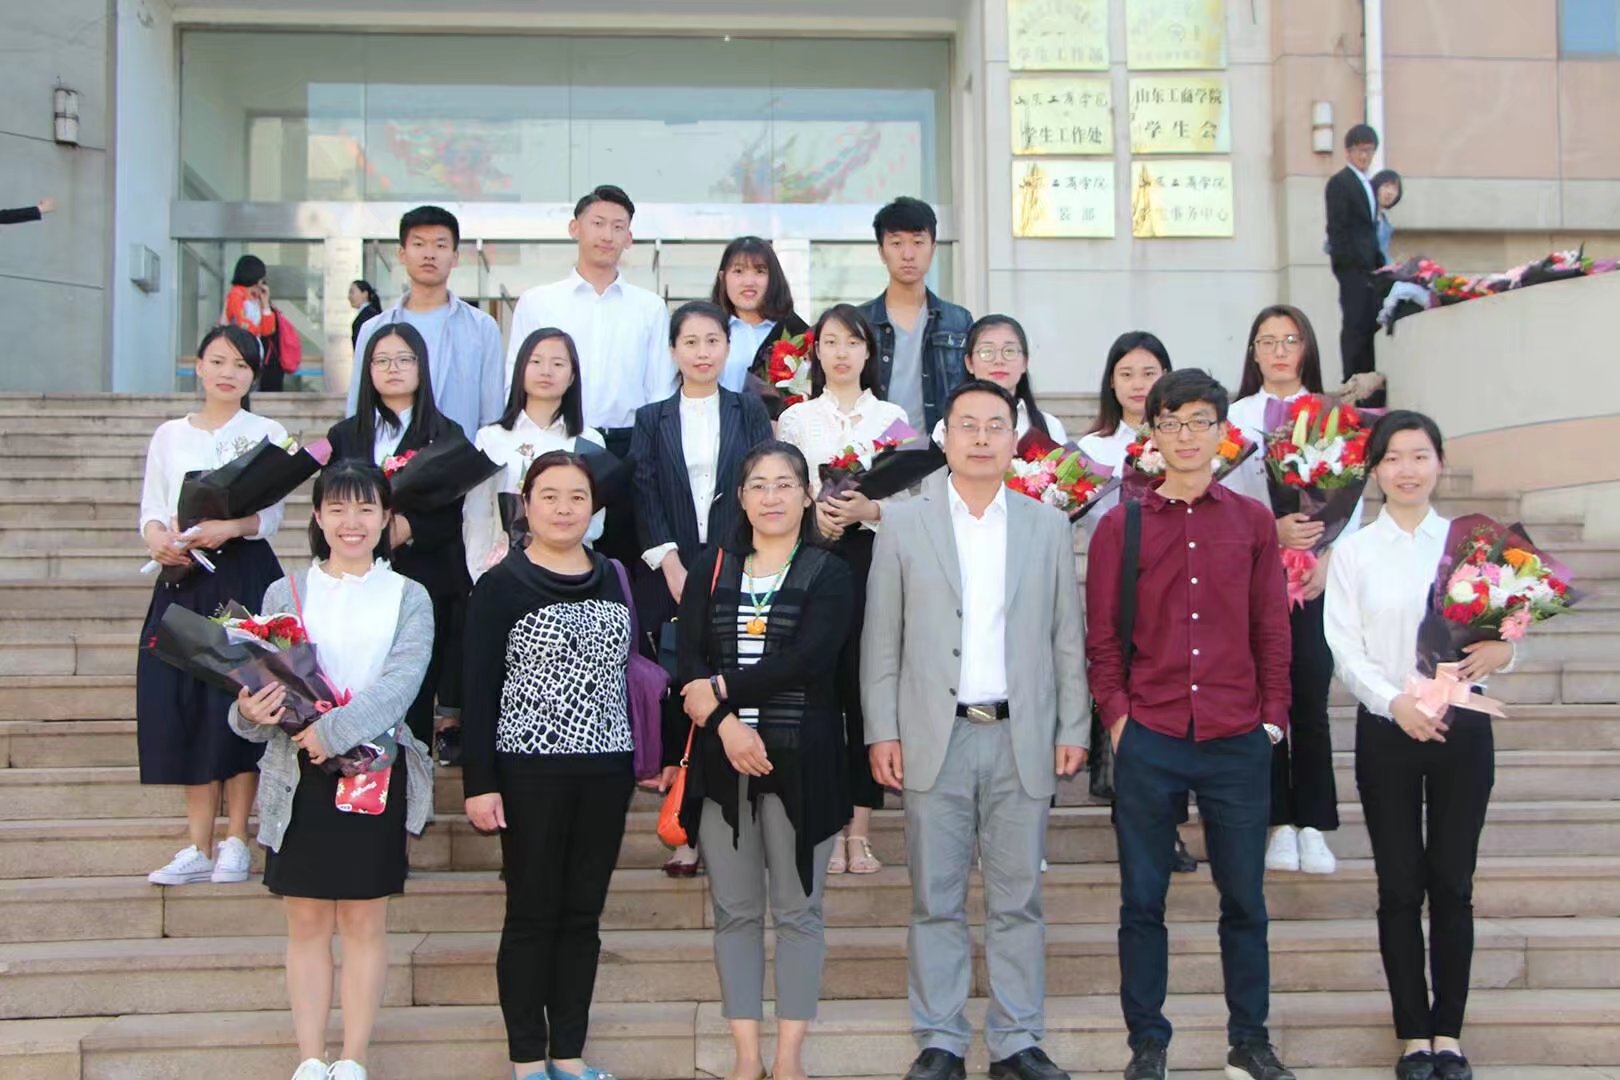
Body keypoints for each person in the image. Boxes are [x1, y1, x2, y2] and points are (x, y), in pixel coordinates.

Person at [864, 379, 1087, 1080]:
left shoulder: (1047, 526)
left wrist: (1073, 724)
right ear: (945, 437)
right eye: (968, 424)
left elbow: (1066, 637)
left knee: (1019, 900)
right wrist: (882, 730)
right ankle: (941, 1038)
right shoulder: (904, 523)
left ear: (1015, 438)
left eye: (996, 424)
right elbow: (882, 641)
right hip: (936, 737)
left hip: (1022, 736)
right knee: (935, 898)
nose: (982, 437)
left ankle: (1018, 1040)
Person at [1085, 369, 1296, 1080]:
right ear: (1152, 432)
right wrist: (1118, 719)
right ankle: (1148, 1043)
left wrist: (1272, 720)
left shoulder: (1252, 522)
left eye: (1199, 421)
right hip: (1152, 732)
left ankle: (1250, 1041)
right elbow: (1102, 638)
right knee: (1143, 901)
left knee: (1245, 901)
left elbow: (1272, 628)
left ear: (1221, 432)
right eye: (1171, 422)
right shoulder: (1121, 525)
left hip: (1237, 735)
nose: (1185, 436)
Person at [228, 460, 435, 1080]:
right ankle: (311, 1057)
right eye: (338, 508)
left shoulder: (409, 595)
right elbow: (261, 687)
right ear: (318, 516)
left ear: (386, 517)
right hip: (298, 775)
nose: (353, 522)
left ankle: (353, 1058)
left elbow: (401, 684)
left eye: (366, 508)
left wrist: (334, 731)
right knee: (307, 919)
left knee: (366, 917)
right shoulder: (285, 593)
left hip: (375, 772)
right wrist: (249, 711)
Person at [1325, 411, 1514, 1080]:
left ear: (1439, 463)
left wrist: (1504, 651)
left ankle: (1449, 1034)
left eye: (1419, 456)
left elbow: (1499, 630)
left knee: (1453, 883)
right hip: (1389, 730)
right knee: (1400, 885)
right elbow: (1345, 647)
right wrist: (1394, 704)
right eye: (1393, 458)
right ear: (1375, 470)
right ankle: (1413, 1035)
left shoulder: (1473, 546)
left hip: (1463, 726)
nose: (1407, 469)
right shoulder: (1354, 552)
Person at [674, 441, 853, 1080]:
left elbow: (809, 659)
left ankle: (790, 1058)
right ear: (741, 499)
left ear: (807, 497)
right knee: (736, 913)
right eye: (758, 485)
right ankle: (748, 1058)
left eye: (785, 484)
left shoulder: (829, 572)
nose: (771, 496)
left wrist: (721, 691)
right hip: (724, 763)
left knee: (799, 913)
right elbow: (688, 662)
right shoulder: (713, 567)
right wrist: (726, 726)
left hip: (805, 763)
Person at [461, 450, 639, 1080]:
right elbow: (478, 690)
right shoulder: (500, 584)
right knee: (532, 913)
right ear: (527, 505)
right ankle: (526, 1060)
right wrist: (479, 783)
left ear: (594, 508)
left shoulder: (614, 575)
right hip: (528, 771)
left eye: (577, 497)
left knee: (583, 915)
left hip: (607, 770)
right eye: (551, 496)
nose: (565, 509)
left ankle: (568, 1053)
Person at [136, 325, 286, 888]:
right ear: (198, 366)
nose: (229, 373)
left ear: (254, 376)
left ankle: (236, 841)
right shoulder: (170, 435)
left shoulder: (266, 433)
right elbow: (152, 508)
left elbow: (272, 516)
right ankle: (196, 844)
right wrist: (157, 538)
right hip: (184, 577)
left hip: (244, 574)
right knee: (185, 703)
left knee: (243, 699)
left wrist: (230, 527)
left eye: (242, 365)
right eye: (218, 361)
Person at [632, 300, 773, 876]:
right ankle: (684, 830)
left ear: (727, 347)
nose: (702, 352)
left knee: (732, 688)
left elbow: (764, 483)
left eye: (712, 340)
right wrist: (670, 564)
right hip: (672, 572)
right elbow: (643, 492)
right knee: (681, 692)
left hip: (739, 567)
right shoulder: (651, 418)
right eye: (690, 342)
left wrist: (737, 563)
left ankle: (745, 825)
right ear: (673, 351)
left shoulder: (748, 410)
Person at [1225, 305, 1361, 876]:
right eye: (1267, 341)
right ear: (1253, 353)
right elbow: (1224, 499)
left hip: (1313, 581)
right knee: (1264, 698)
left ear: (1307, 348)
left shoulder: (1333, 417)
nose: (1279, 351)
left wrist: (1327, 558)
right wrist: (1271, 531)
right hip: (1253, 577)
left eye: (1290, 340)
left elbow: (1351, 501)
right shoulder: (1232, 418)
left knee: (1309, 695)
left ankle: (1314, 824)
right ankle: (1277, 821)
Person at [777, 304, 909, 876]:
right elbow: (780, 491)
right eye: (830, 342)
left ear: (868, 352)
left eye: (852, 342)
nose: (841, 353)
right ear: (816, 351)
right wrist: (817, 518)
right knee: (819, 695)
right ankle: (826, 829)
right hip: (812, 559)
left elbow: (914, 501)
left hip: (871, 559)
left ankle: (860, 833)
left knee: (864, 692)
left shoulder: (893, 419)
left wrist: (868, 510)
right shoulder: (796, 420)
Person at [503, 185, 673, 563]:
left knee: (624, 558)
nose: (607, 235)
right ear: (574, 228)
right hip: (557, 441)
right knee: (556, 555)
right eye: (597, 223)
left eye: (618, 226)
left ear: (629, 238)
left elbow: (660, 391)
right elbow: (515, 379)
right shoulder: (538, 301)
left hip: (626, 447)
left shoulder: (649, 308)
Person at [328, 323, 472, 750]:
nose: (394, 368)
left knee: (414, 694)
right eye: (382, 360)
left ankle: (412, 780)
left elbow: (456, 511)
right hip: (357, 579)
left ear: (422, 367)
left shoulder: (447, 435)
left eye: (405, 359)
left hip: (423, 578)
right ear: (368, 369)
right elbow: (331, 501)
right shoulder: (345, 435)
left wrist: (409, 527)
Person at [349, 206, 506, 442]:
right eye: (419, 244)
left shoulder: (482, 328)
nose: (429, 254)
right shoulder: (374, 329)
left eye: (440, 245)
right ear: (402, 254)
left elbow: (492, 416)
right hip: (387, 460)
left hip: (459, 460)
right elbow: (358, 407)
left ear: (454, 257)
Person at [465, 327, 607, 582]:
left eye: (558, 363)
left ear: (572, 376)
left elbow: (594, 521)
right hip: (503, 570)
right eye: (536, 361)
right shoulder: (491, 438)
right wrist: (480, 574)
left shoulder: (589, 440)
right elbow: (477, 514)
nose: (546, 371)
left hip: (570, 573)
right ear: (520, 369)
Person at [856, 196, 972, 434]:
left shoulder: (958, 321)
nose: (908, 254)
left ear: (933, 249)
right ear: (881, 252)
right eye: (896, 243)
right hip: (874, 447)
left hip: (940, 447)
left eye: (918, 242)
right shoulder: (859, 322)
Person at [1078, 332, 1172, 535]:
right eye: (1126, 375)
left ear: (1165, 377)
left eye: (1148, 374)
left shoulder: (1180, 440)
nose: (1138, 385)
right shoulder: (1091, 447)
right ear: (1112, 380)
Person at [709, 235, 809, 414]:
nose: (749, 282)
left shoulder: (795, 333)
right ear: (723, 278)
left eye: (760, 271)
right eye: (738, 271)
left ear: (773, 278)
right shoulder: (709, 331)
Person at [928, 315, 1066, 445]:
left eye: (1009, 351)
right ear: (969, 363)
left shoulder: (1050, 426)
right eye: (987, 352)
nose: (999, 360)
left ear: (1025, 362)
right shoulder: (946, 426)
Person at [1325, 124, 1384, 398]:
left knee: (1370, 323)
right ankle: (1352, 381)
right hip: (1353, 269)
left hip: (1371, 269)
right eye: (1360, 150)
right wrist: (1347, 265)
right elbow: (1337, 229)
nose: (1365, 156)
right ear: (1348, 151)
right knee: (1355, 325)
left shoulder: (1368, 184)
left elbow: (1370, 231)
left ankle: (1369, 381)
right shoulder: (1340, 182)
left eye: (1369, 151)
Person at [223, 255, 282, 390]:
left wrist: (265, 303)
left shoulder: (256, 298)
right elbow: (242, 323)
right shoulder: (236, 294)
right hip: (239, 348)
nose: (262, 282)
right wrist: (257, 330)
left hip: (254, 351)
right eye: (261, 278)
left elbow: (268, 330)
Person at [1371, 169, 1403, 266]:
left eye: (1395, 189)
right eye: (1386, 186)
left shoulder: (1384, 220)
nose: (1390, 192)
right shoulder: (1364, 214)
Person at [349, 279, 383, 348]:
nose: (349, 297)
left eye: (352, 292)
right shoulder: (368, 314)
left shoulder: (369, 315)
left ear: (365, 294)